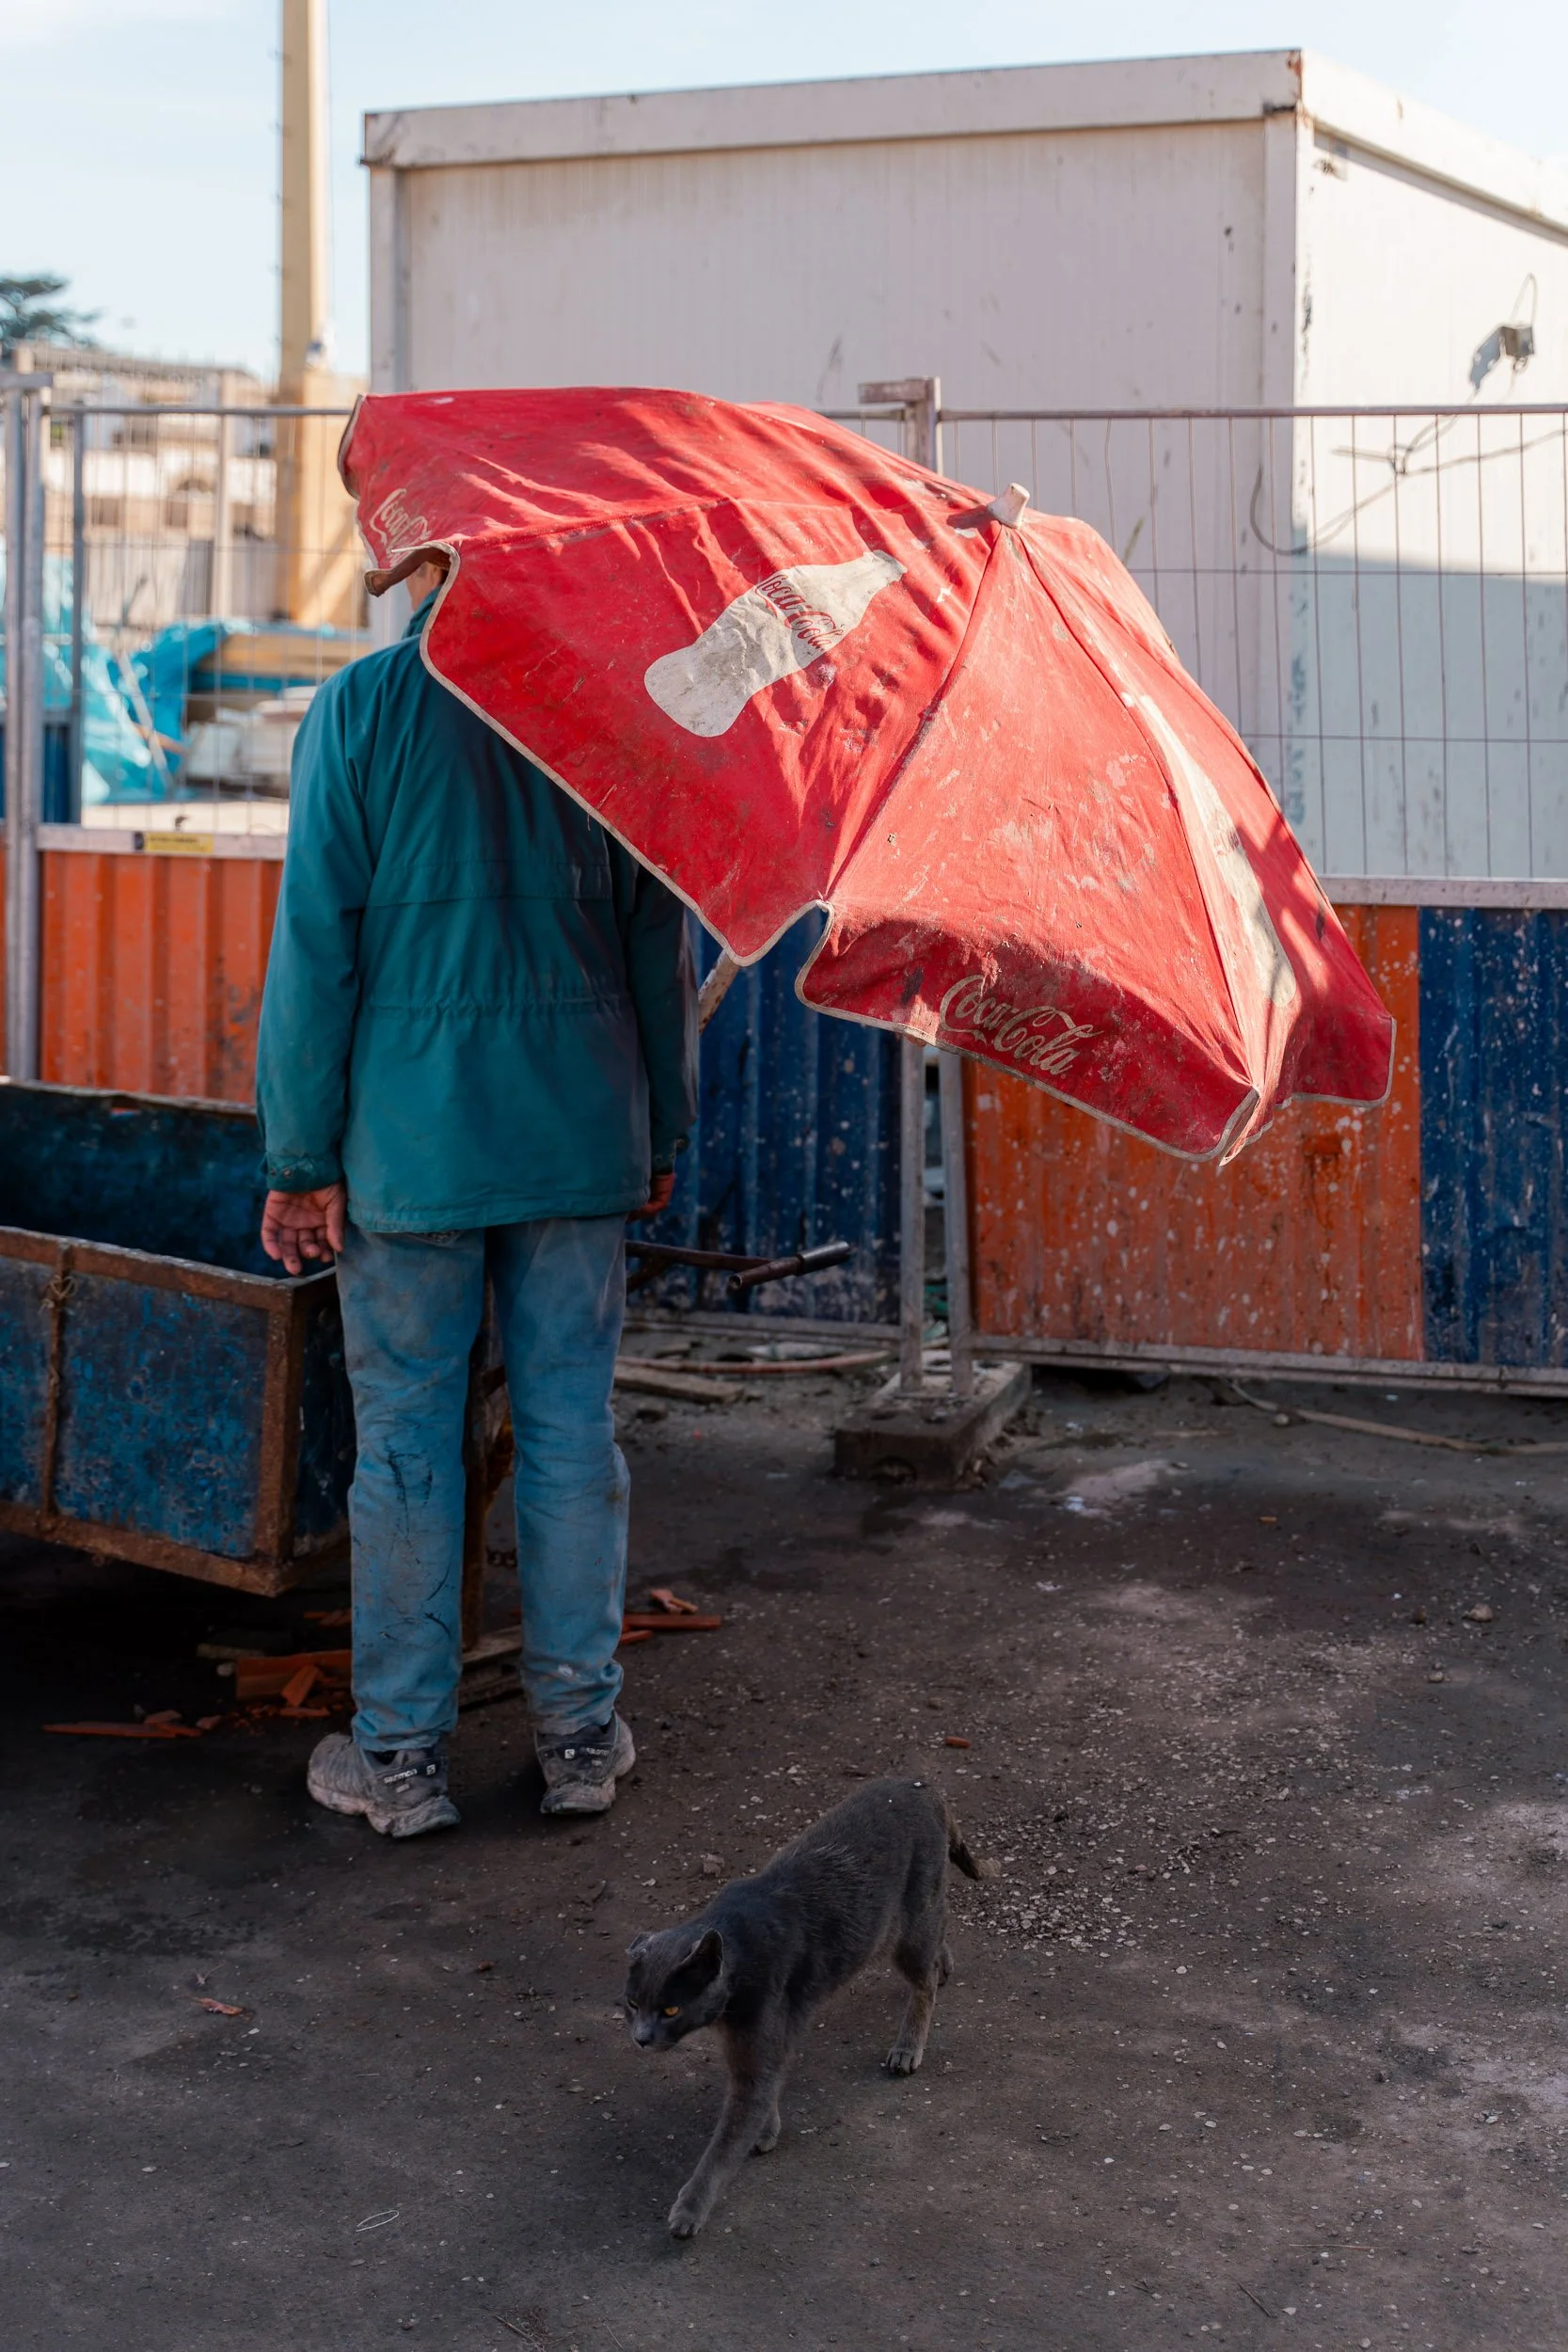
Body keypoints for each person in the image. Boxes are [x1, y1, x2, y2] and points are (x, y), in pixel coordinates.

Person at [255, 552, 696, 1839]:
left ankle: (398, 1759)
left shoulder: (367, 707)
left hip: (412, 1143)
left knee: (405, 1446)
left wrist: (298, 1158)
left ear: (436, 568)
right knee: (568, 1434)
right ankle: (575, 1737)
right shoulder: (614, 718)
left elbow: (316, 943)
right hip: (577, 1130)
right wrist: (659, 1124)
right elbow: (654, 944)